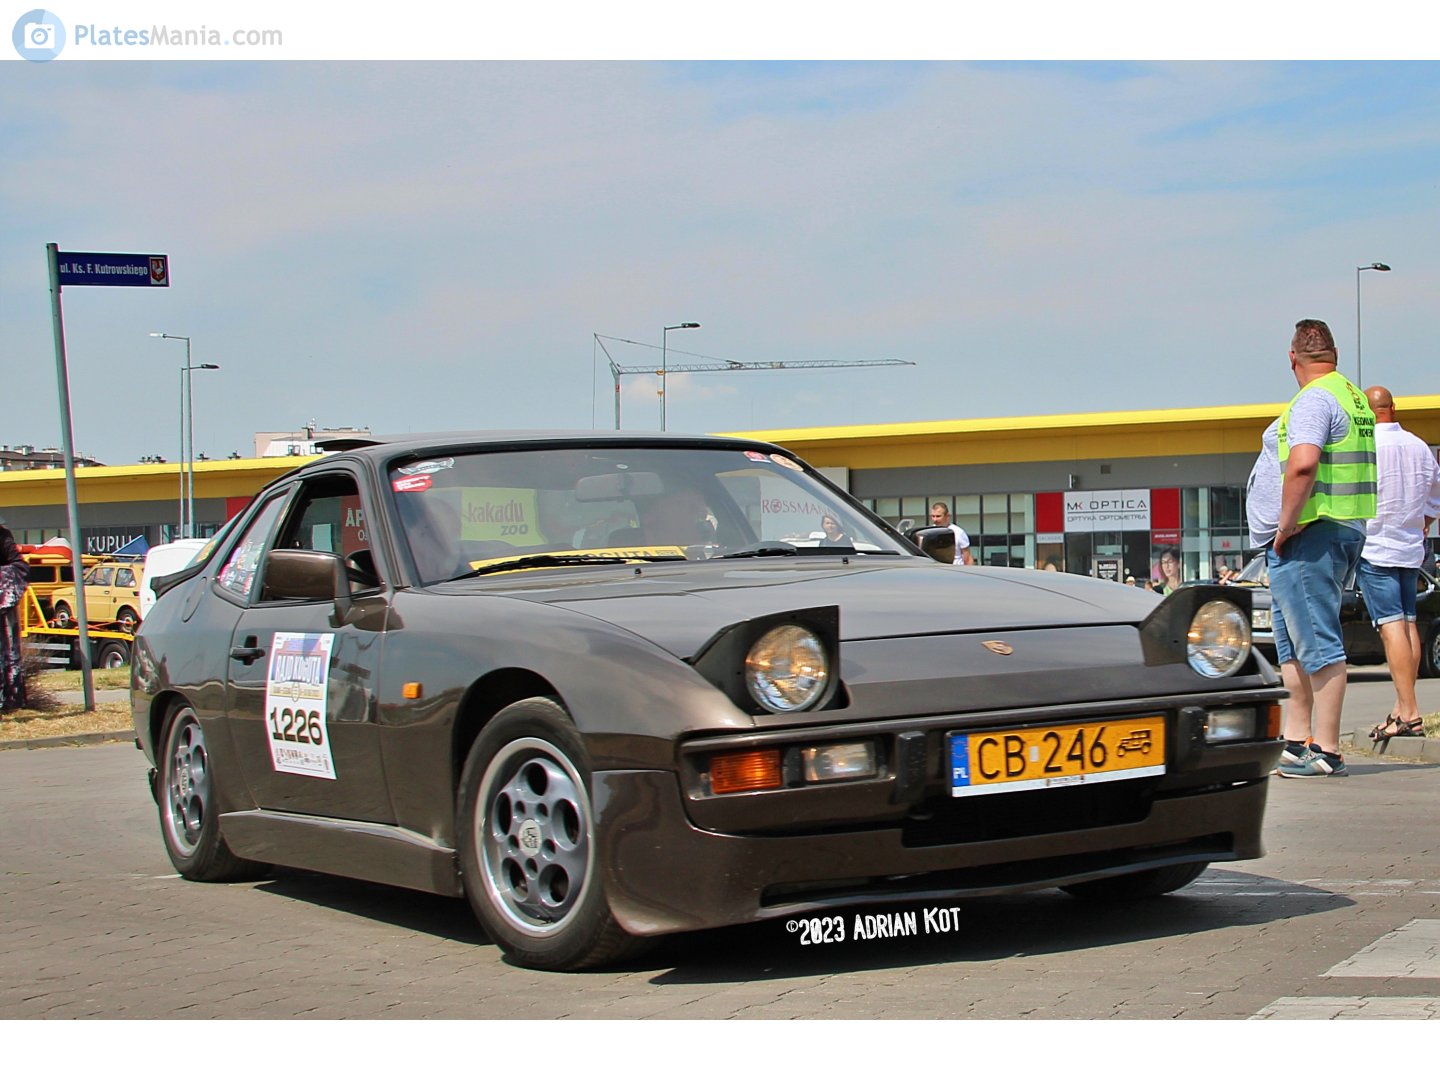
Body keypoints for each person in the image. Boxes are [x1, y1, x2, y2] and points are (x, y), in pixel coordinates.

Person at [1265, 319, 1377, 778]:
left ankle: (1327, 750)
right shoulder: (1352, 396)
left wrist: (1285, 524)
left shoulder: (1314, 399)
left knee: (1317, 640)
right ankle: (1296, 742)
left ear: (1292, 358)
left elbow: (1303, 464)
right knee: (1293, 642)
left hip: (1312, 532)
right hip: (1342, 526)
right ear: (1334, 355)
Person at [1354, 385, 1440, 744]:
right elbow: (1434, 498)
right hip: (1409, 548)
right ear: (1393, 407)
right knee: (1407, 625)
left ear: (1366, 411)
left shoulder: (1364, 447)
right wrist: (1423, 523)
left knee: (1391, 628)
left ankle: (1409, 712)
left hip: (1376, 548)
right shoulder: (1419, 446)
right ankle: (1401, 708)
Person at [0, 518, 28, 712]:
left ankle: (8, 698)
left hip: (3, 604)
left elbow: (19, 566)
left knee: (5, 652)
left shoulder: (2, 537)